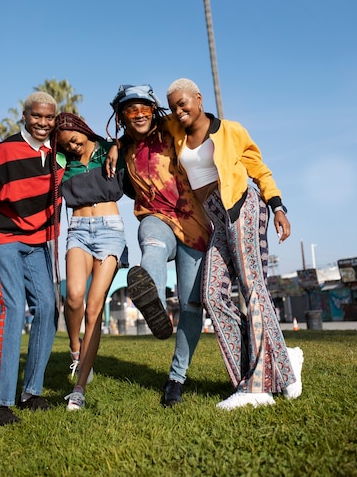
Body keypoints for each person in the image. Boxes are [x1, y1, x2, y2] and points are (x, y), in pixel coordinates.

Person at [166, 78, 304, 410]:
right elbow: (143, 125)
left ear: (198, 99)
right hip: (217, 220)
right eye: (173, 106)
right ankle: (280, 361)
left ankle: (258, 388)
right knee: (212, 296)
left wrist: (279, 207)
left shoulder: (230, 131)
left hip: (242, 207)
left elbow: (259, 169)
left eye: (183, 103)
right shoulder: (175, 131)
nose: (179, 110)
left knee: (252, 288)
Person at [107, 84, 210, 407]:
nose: (138, 115)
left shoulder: (172, 127)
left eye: (144, 109)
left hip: (195, 223)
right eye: (130, 111)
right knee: (151, 243)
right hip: (156, 216)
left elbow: (203, 125)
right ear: (121, 116)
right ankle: (154, 302)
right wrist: (114, 144)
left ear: (154, 110)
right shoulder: (122, 147)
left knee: (193, 306)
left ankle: (176, 379)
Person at [0, 92, 63, 426]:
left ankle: (30, 392)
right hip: (2, 238)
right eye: (37, 117)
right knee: (11, 309)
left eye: (49, 118)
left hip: (38, 243)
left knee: (48, 309)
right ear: (25, 115)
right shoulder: (4, 151)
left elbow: (89, 146)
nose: (43, 123)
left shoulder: (57, 153)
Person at [53, 112, 127, 411]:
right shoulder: (61, 162)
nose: (72, 147)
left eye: (74, 140)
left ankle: (79, 389)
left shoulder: (109, 148)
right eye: (65, 145)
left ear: (82, 130)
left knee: (95, 307)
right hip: (78, 231)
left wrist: (118, 145)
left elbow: (138, 135)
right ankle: (75, 350)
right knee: (73, 297)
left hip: (111, 230)